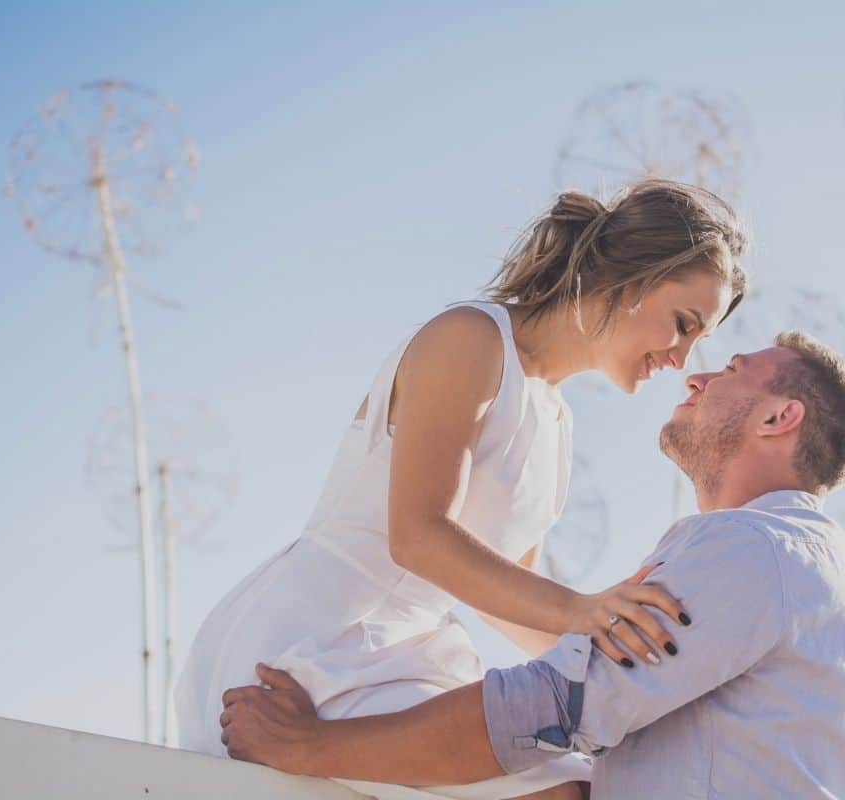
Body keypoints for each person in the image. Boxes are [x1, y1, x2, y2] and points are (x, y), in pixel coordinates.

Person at [176, 180, 748, 799]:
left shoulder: (556, 420)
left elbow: (504, 599)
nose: (683, 359)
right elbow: (418, 536)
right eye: (683, 324)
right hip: (313, 642)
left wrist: (627, 667)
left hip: (410, 655)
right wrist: (586, 608)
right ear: (630, 278)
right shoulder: (472, 338)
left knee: (598, 783)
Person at [218, 332, 845, 800]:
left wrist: (310, 749)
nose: (696, 375)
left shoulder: (751, 547)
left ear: (778, 416)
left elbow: (551, 706)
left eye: (731, 368)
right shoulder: (801, 564)